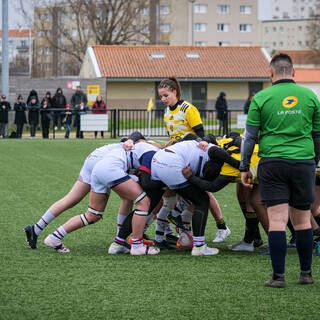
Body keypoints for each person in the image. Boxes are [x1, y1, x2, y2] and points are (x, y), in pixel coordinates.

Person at [240, 53, 320, 288]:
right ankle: (306, 274)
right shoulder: (311, 96)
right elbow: (318, 135)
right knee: (303, 220)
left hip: (272, 163)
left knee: (277, 220)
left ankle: (278, 277)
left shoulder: (261, 98)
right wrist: (313, 162)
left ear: (271, 73)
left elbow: (250, 137)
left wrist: (244, 166)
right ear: (293, 72)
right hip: (303, 162)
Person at [158, 77, 230, 242]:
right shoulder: (167, 111)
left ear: (174, 92)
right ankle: (182, 232)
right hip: (178, 157)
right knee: (179, 192)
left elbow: (201, 135)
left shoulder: (188, 108)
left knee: (202, 192)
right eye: (161, 96)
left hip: (194, 155)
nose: (163, 99)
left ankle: (222, 227)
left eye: (166, 95)